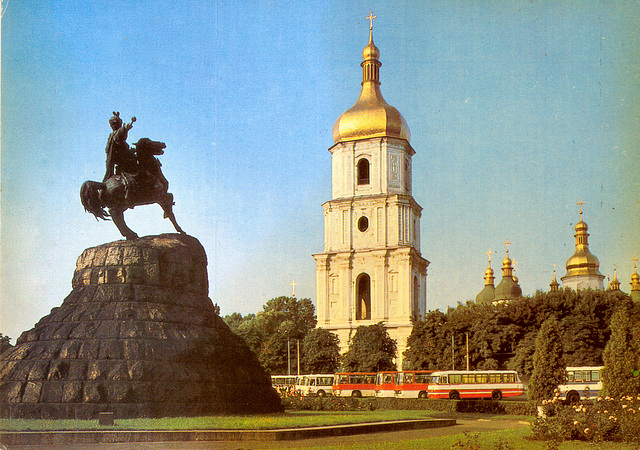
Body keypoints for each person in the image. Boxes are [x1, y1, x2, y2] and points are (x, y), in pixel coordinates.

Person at [103, 112, 137, 182]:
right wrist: (125, 127)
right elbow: (121, 134)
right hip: (126, 165)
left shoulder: (111, 136)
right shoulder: (116, 134)